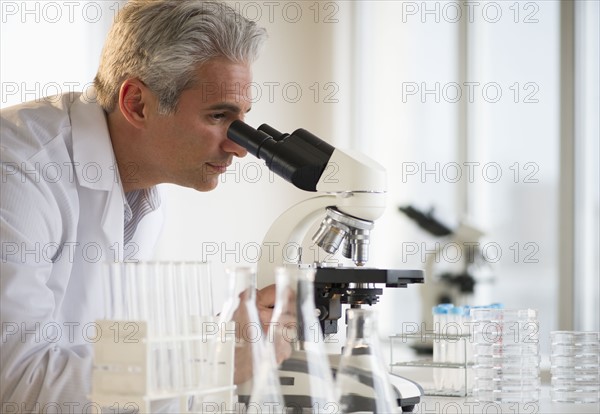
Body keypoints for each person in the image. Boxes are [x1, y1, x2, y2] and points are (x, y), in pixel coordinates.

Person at [0, 0, 278, 410]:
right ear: (137, 104)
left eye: (242, 119)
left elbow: (103, 371)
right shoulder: (19, 169)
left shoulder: (143, 192)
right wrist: (209, 361)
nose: (239, 147)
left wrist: (224, 337)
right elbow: (18, 386)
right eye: (219, 116)